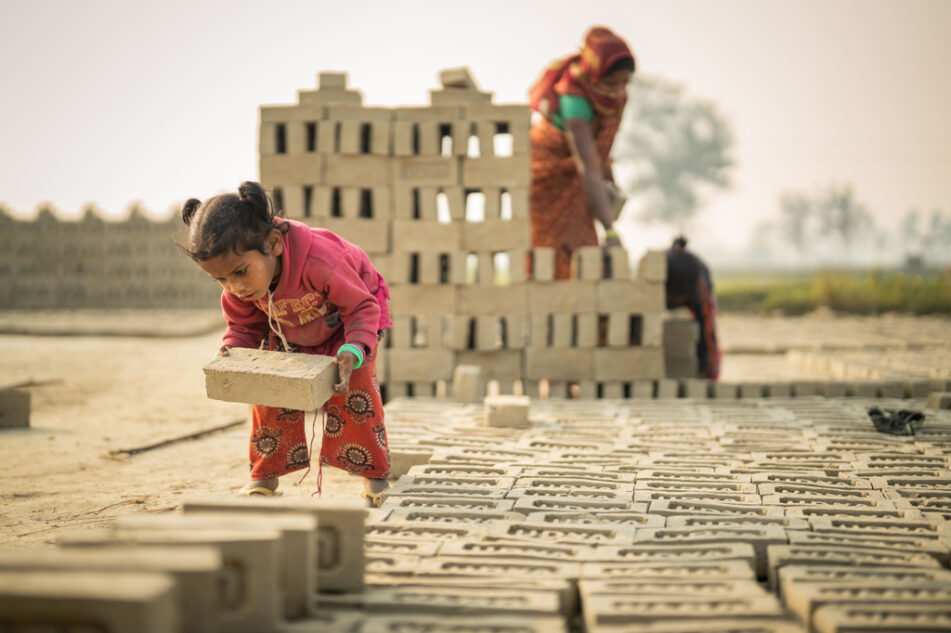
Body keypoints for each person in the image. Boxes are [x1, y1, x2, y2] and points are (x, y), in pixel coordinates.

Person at [181, 182, 392, 507]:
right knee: (267, 391)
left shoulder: (321, 262)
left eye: (240, 272)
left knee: (354, 391)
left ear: (274, 244)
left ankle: (375, 476)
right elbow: (243, 326)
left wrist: (353, 351)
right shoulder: (240, 289)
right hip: (288, 330)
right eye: (221, 279)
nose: (235, 287)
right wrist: (234, 350)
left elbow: (362, 308)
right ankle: (264, 475)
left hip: (349, 322)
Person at [528, 26, 636, 279]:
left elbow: (600, 155)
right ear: (596, 74)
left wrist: (609, 183)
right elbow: (587, 165)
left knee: (583, 253)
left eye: (625, 83)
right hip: (549, 182)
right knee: (548, 255)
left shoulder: (614, 99)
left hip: (583, 182)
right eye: (612, 83)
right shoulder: (574, 100)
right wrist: (610, 230)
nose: (618, 90)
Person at [666, 236, 721, 380]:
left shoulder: (666, 257)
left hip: (681, 296)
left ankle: (705, 370)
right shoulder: (697, 261)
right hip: (693, 297)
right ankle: (707, 370)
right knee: (706, 333)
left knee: (703, 333)